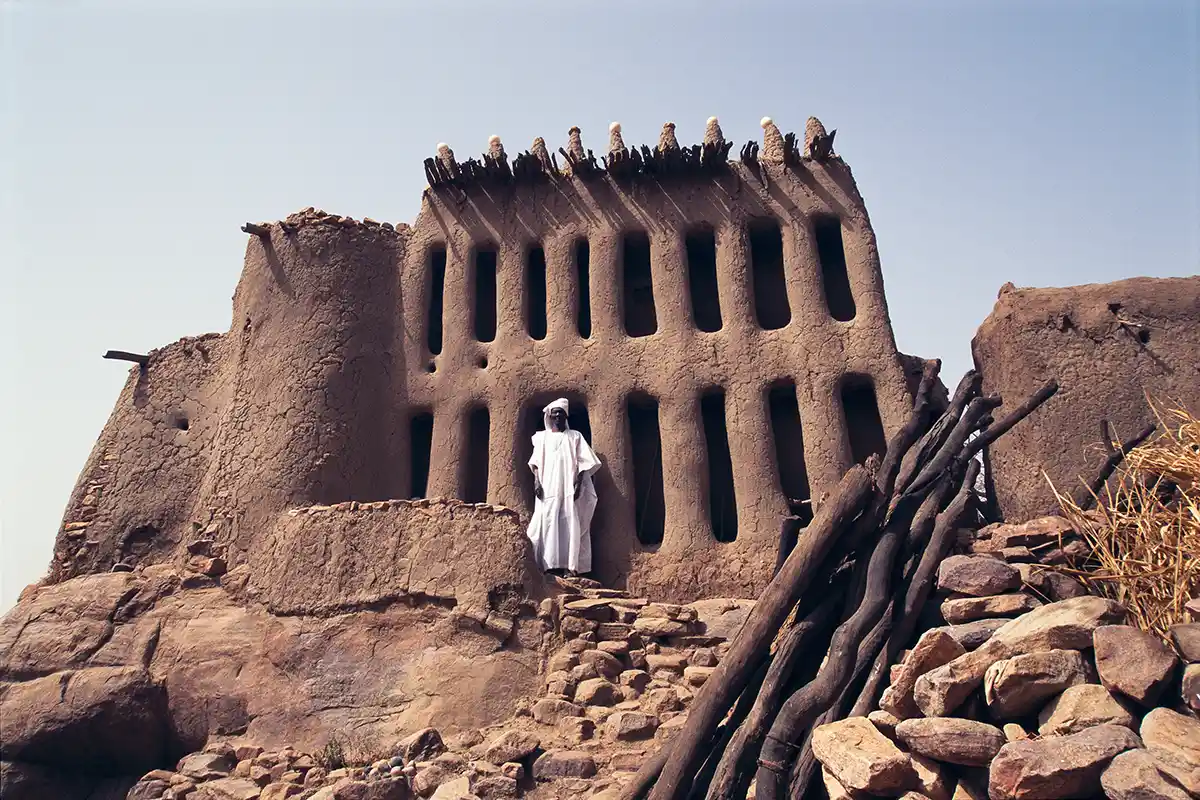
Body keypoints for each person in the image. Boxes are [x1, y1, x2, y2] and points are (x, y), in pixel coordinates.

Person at [526, 398, 601, 577]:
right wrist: (537, 481)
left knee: (569, 521)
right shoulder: (542, 438)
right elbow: (535, 462)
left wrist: (579, 482)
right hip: (547, 488)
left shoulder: (575, 436)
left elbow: (584, 461)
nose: (558, 415)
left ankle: (570, 566)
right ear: (549, 415)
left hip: (568, 487)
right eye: (555, 412)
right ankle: (548, 565)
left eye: (561, 412)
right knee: (548, 520)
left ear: (566, 415)